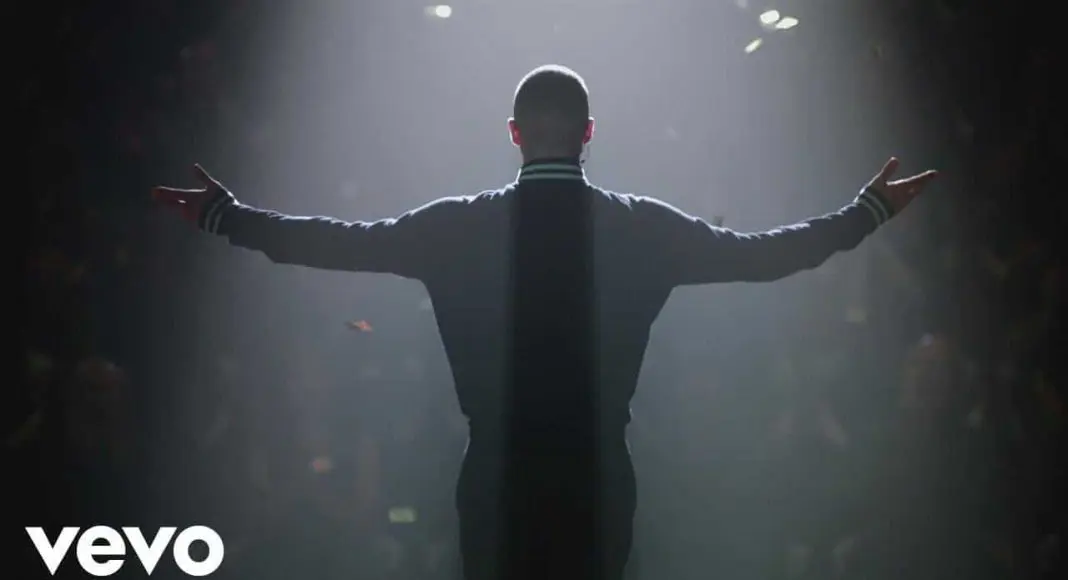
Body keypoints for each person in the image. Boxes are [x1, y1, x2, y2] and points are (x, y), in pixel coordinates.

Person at [153, 64, 937, 580]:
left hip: (496, 481)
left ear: (514, 133)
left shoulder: (459, 227)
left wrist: (228, 217)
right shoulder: (640, 228)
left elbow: (334, 243)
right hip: (598, 481)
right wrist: (866, 212)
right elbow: (766, 256)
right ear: (589, 133)